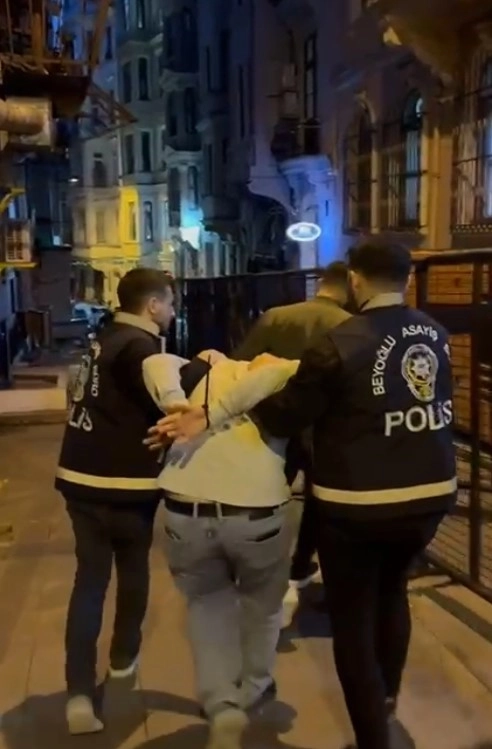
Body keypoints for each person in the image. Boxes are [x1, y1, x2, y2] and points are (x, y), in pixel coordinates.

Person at [154, 243, 457, 749]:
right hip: (430, 494)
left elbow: (284, 415)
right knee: (393, 592)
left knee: (354, 618)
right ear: (406, 279)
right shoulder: (435, 333)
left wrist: (245, 389)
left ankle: (372, 737)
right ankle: (387, 698)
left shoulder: (340, 343)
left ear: (355, 279)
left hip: (358, 501)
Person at [55, 268, 211, 735]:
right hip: (125, 484)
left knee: (89, 582)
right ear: (153, 305)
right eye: (171, 303)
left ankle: (79, 694)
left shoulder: (102, 340)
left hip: (78, 477)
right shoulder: (141, 348)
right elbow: (167, 388)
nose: (173, 312)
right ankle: (123, 659)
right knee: (133, 569)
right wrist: (206, 366)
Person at [148, 353, 303, 749]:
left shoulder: (203, 378)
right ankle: (253, 686)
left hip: (185, 507)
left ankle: (222, 704)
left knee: (206, 605)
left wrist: (176, 403)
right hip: (257, 512)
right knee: (263, 604)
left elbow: (155, 359)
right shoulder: (285, 375)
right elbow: (279, 369)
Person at [232, 261, 351, 626]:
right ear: (350, 287)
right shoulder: (351, 326)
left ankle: (251, 571)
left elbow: (240, 365)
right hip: (325, 430)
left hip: (275, 424)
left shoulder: (276, 317)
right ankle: (301, 566)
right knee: (321, 503)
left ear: (322, 283)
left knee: (262, 498)